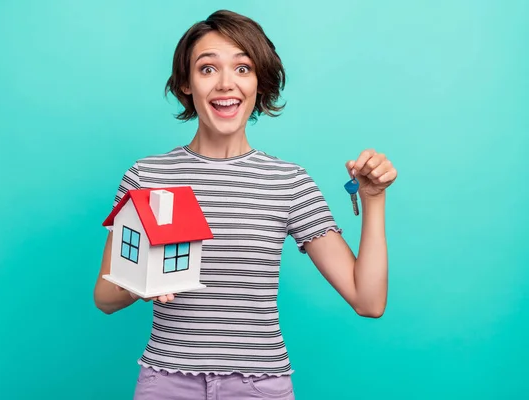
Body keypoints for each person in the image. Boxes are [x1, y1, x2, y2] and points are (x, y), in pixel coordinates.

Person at [93, 9, 397, 400]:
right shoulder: (148, 176)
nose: (225, 84)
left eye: (242, 68)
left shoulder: (289, 182)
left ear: (258, 82)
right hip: (167, 383)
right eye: (207, 69)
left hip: (260, 388)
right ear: (186, 83)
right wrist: (141, 284)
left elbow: (368, 300)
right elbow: (105, 297)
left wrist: (373, 199)